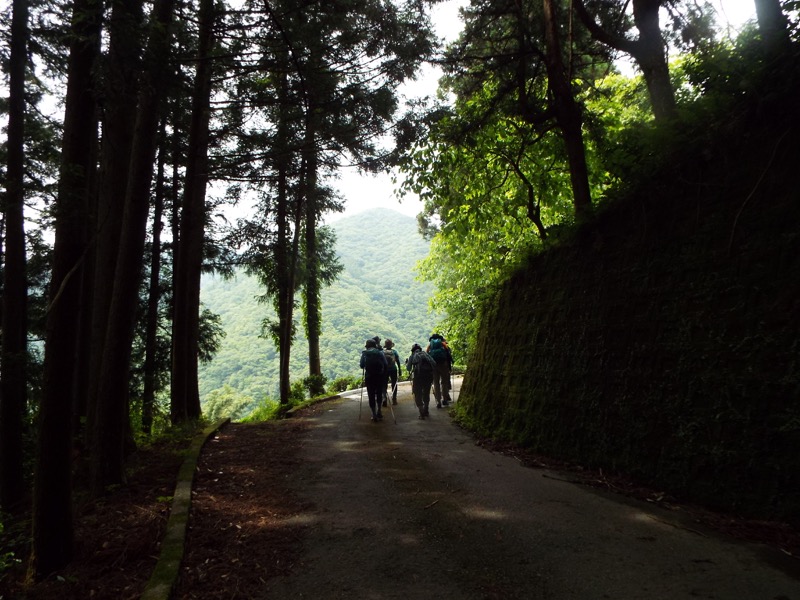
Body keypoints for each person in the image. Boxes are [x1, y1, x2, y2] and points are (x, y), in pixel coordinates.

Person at [360, 338, 388, 421]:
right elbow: (385, 364)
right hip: (379, 376)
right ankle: (379, 411)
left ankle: (374, 414)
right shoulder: (380, 353)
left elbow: (362, 365)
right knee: (379, 393)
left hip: (369, 376)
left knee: (371, 394)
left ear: (367, 346)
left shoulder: (365, 354)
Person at [407, 343, 436, 418]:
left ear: (412, 350)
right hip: (428, 376)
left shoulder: (412, 356)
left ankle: (421, 411)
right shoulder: (426, 354)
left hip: (418, 377)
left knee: (418, 393)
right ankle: (426, 409)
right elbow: (434, 363)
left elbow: (408, 368)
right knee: (426, 392)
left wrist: (408, 363)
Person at [426, 333, 453, 409]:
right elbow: (448, 355)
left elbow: (427, 355)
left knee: (436, 383)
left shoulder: (430, 346)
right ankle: (445, 399)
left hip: (434, 366)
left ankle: (438, 401)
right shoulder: (443, 344)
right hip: (443, 365)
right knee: (444, 382)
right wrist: (450, 366)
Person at [382, 339, 402, 405]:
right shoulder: (394, 352)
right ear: (391, 345)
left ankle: (384, 397)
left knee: (384, 384)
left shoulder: (382, 352)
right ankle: (394, 398)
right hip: (393, 369)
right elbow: (398, 362)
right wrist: (399, 369)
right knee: (394, 384)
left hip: (385, 370)